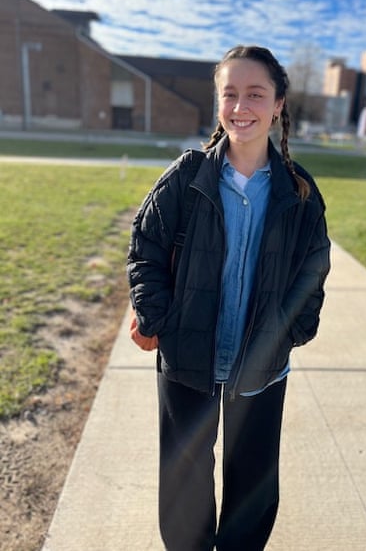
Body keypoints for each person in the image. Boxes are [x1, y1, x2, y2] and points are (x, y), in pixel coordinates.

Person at [127, 45, 331, 551]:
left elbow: (314, 263)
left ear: (279, 104)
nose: (241, 106)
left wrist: (293, 328)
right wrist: (156, 315)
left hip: (262, 365)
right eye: (230, 93)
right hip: (189, 357)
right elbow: (146, 245)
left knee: (253, 485)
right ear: (218, 101)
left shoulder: (298, 190)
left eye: (255, 94)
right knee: (185, 485)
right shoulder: (187, 175)